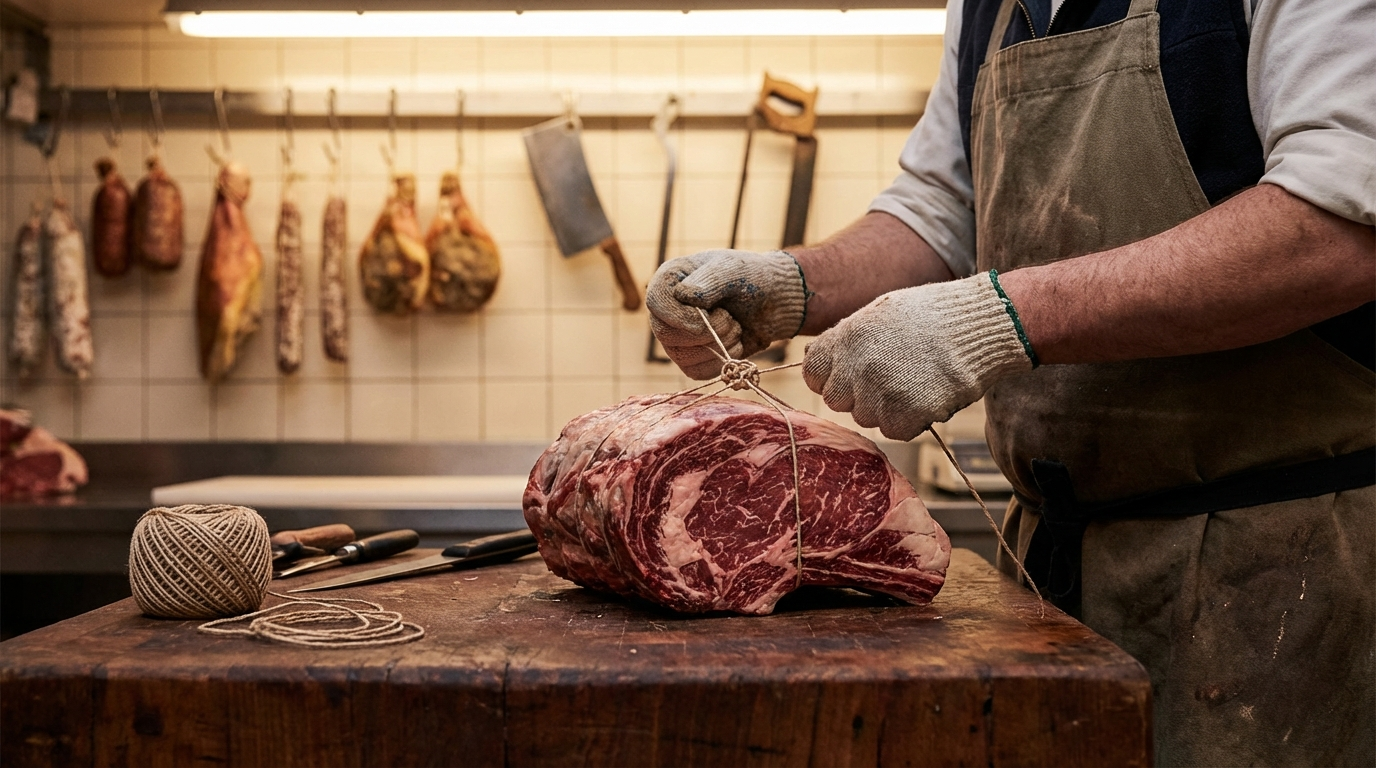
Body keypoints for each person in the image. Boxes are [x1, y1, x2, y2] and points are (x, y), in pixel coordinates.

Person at [645, 0, 1375, 765]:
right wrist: (790, 286)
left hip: (1280, 575)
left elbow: (1339, 223)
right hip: (1052, 572)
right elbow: (938, 211)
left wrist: (995, 315)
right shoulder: (984, 9)